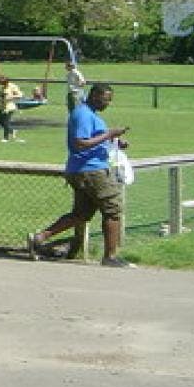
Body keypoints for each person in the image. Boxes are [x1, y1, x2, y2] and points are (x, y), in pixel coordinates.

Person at [25, 83, 134, 268]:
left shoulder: (90, 114)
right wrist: (109, 134)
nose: (108, 103)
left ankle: (39, 238)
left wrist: (114, 142)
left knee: (81, 214)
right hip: (91, 170)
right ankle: (110, 257)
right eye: (105, 99)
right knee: (113, 210)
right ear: (94, 95)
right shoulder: (83, 114)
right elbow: (80, 143)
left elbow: (94, 139)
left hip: (82, 170)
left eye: (109, 100)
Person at [0, 76, 24, 142]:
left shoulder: (13, 86)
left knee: (6, 123)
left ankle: (5, 138)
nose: (1, 84)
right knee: (0, 122)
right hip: (2, 107)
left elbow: (20, 95)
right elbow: (3, 96)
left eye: (2, 83)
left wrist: (11, 97)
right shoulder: (3, 87)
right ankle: (12, 131)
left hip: (9, 107)